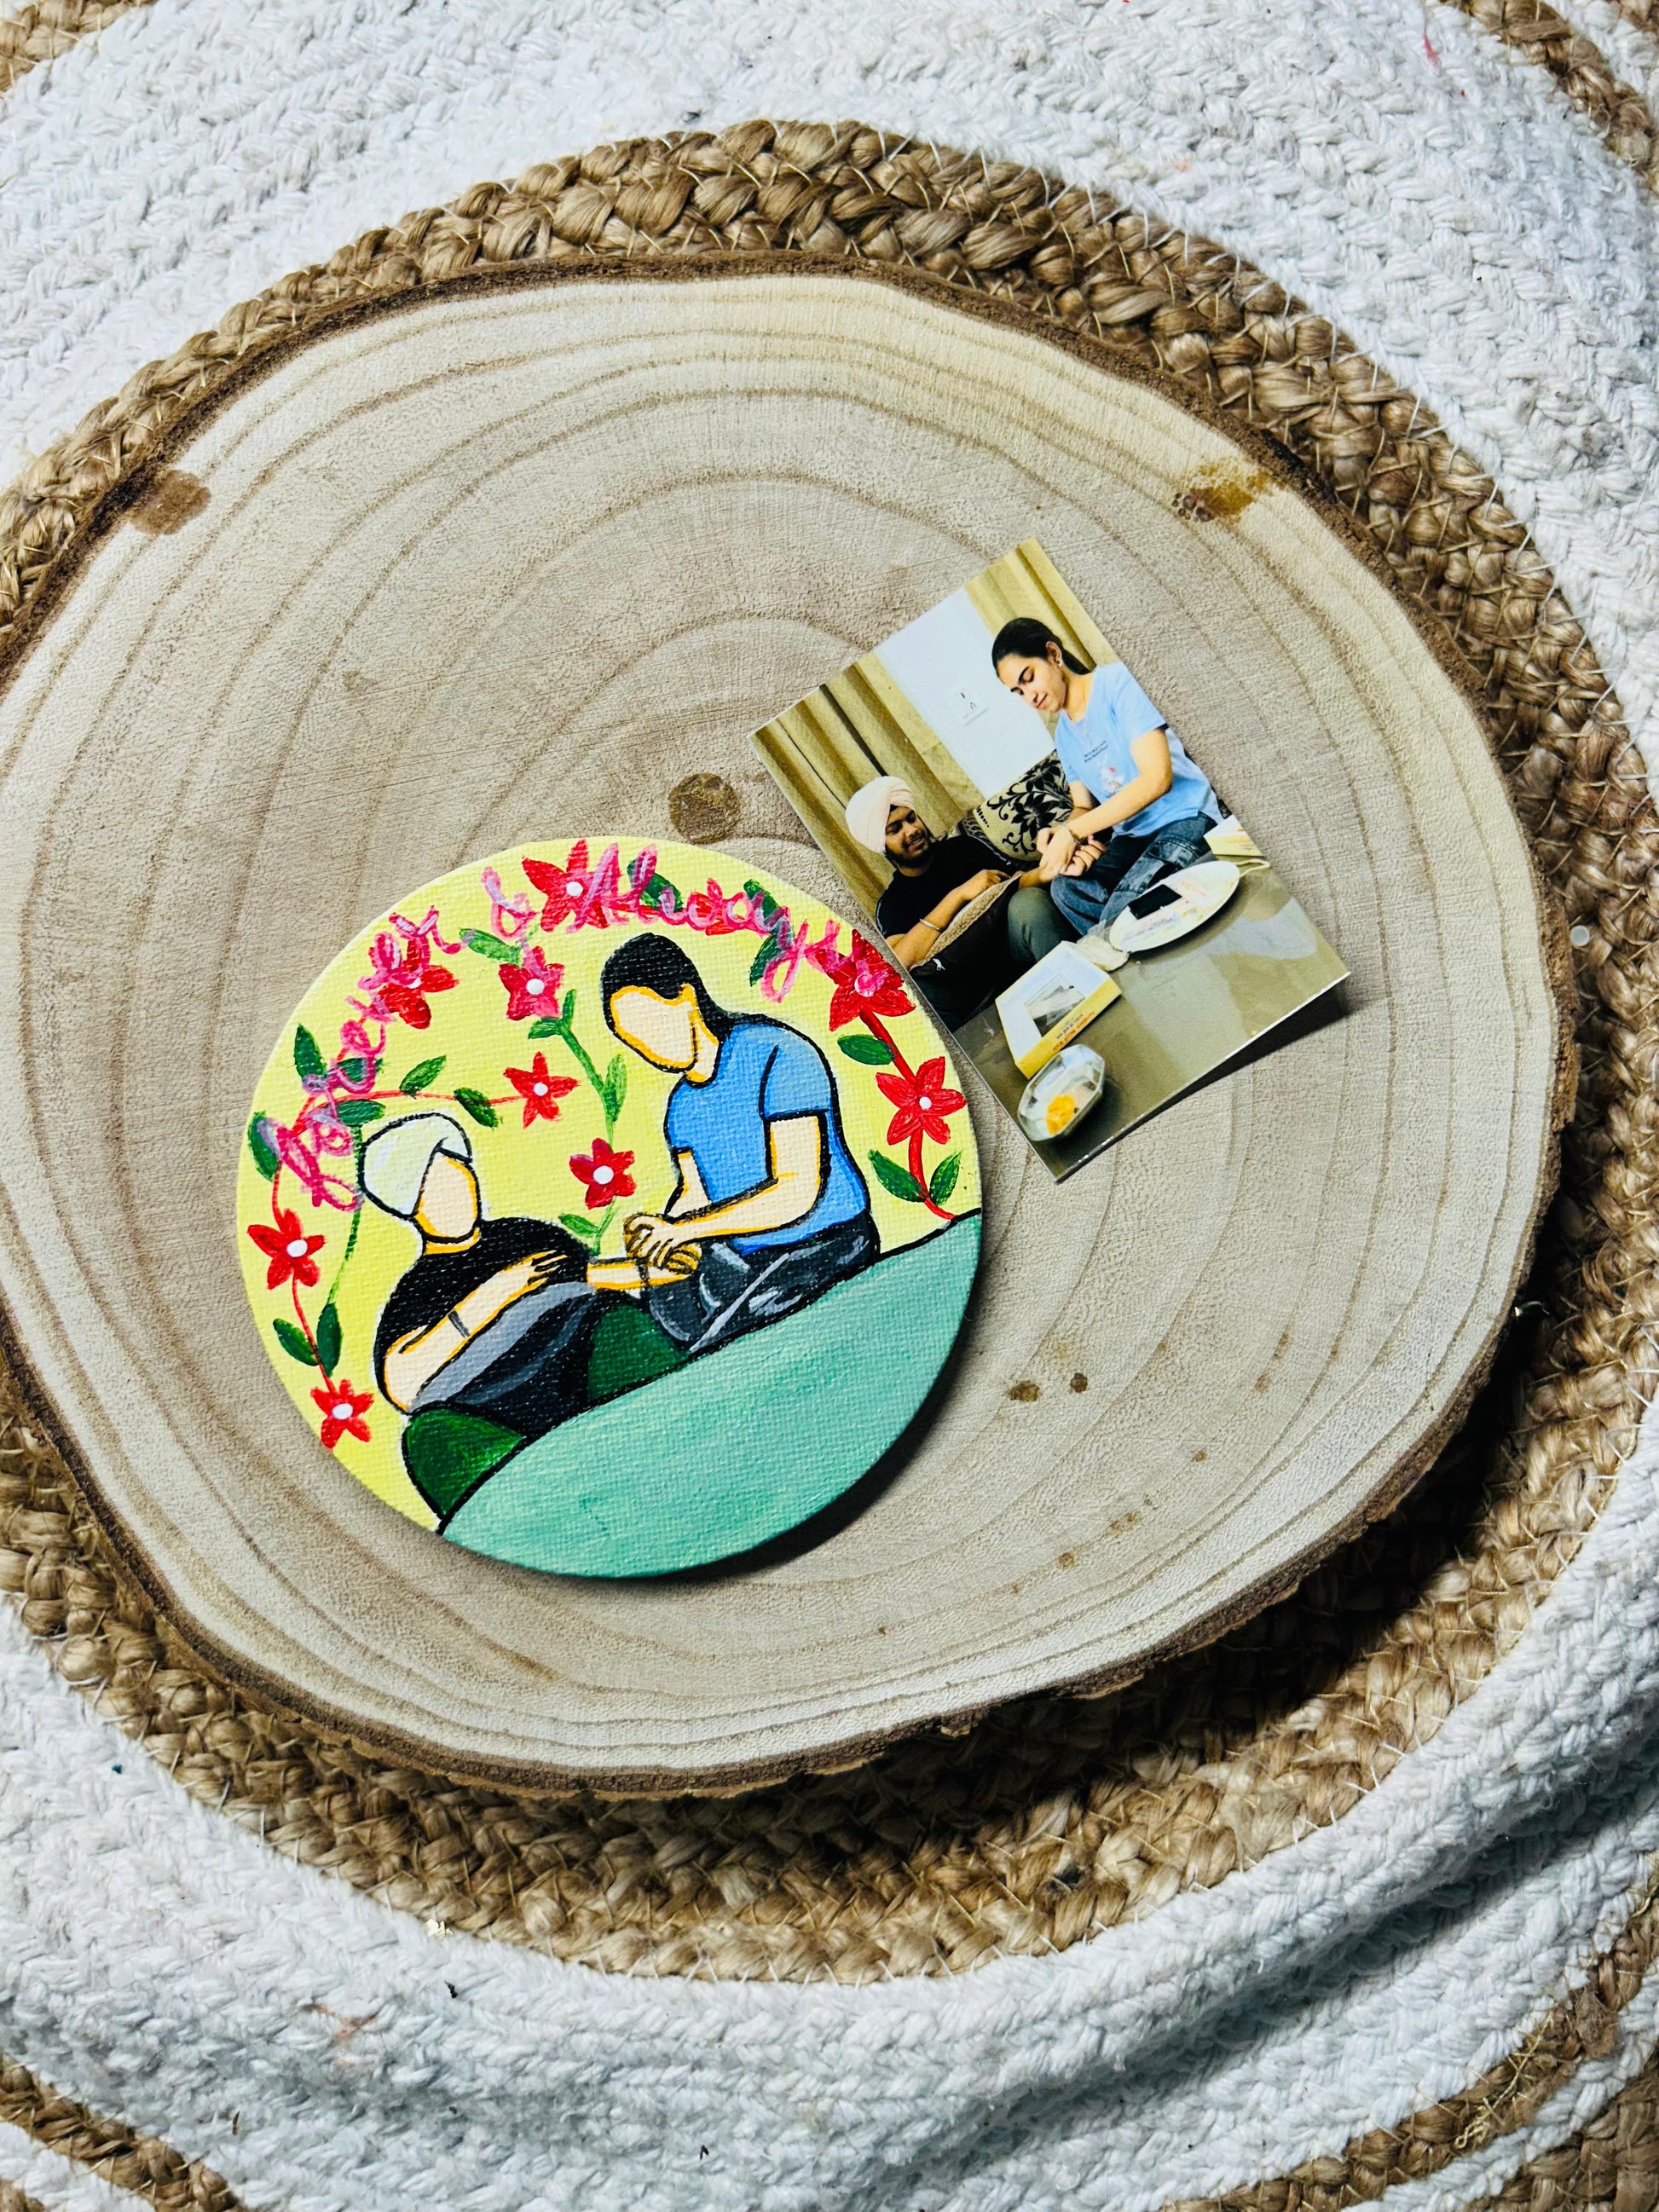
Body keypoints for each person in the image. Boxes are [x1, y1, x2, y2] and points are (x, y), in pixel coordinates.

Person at [360, 1112, 683, 1516]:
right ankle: (543, 1513)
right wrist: (497, 1292)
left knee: (621, 1323)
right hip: (491, 1412)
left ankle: (677, 1440)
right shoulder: (418, 1290)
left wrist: (658, 1269)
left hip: (580, 1365)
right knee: (427, 1437)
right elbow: (402, 1385)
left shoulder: (524, 1235)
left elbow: (590, 1274)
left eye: (461, 1176)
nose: (459, 1193)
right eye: (438, 1188)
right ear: (412, 1208)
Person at [601, 936, 878, 1354]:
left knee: (724, 1340)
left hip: (825, 1243)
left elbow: (797, 1192)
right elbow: (695, 1193)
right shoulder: (681, 1106)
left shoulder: (778, 1053)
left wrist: (682, 1230)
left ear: (686, 997)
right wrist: (659, 1232)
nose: (648, 1047)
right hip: (743, 1257)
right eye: (633, 1039)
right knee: (669, 1303)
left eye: (649, 1024)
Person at [991, 618, 1220, 938]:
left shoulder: (1117, 684)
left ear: (1053, 654)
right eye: (1018, 692)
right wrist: (1065, 839)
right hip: (1132, 839)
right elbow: (1082, 807)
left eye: (1028, 678)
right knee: (1067, 890)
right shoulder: (1064, 737)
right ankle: (1144, 939)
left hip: (1185, 818)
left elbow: (1157, 779)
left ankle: (1138, 938)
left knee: (1123, 915)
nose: (1029, 696)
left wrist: (1074, 832)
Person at [843, 775, 1073, 1019]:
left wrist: (1054, 864)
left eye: (911, 818)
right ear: (883, 846)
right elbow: (900, 962)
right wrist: (959, 895)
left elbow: (1015, 883)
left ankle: (1077, 984)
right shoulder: (892, 903)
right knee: (919, 989)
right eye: (895, 830)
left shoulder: (963, 848)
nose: (911, 831)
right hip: (965, 992)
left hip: (1009, 951)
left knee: (1029, 902)